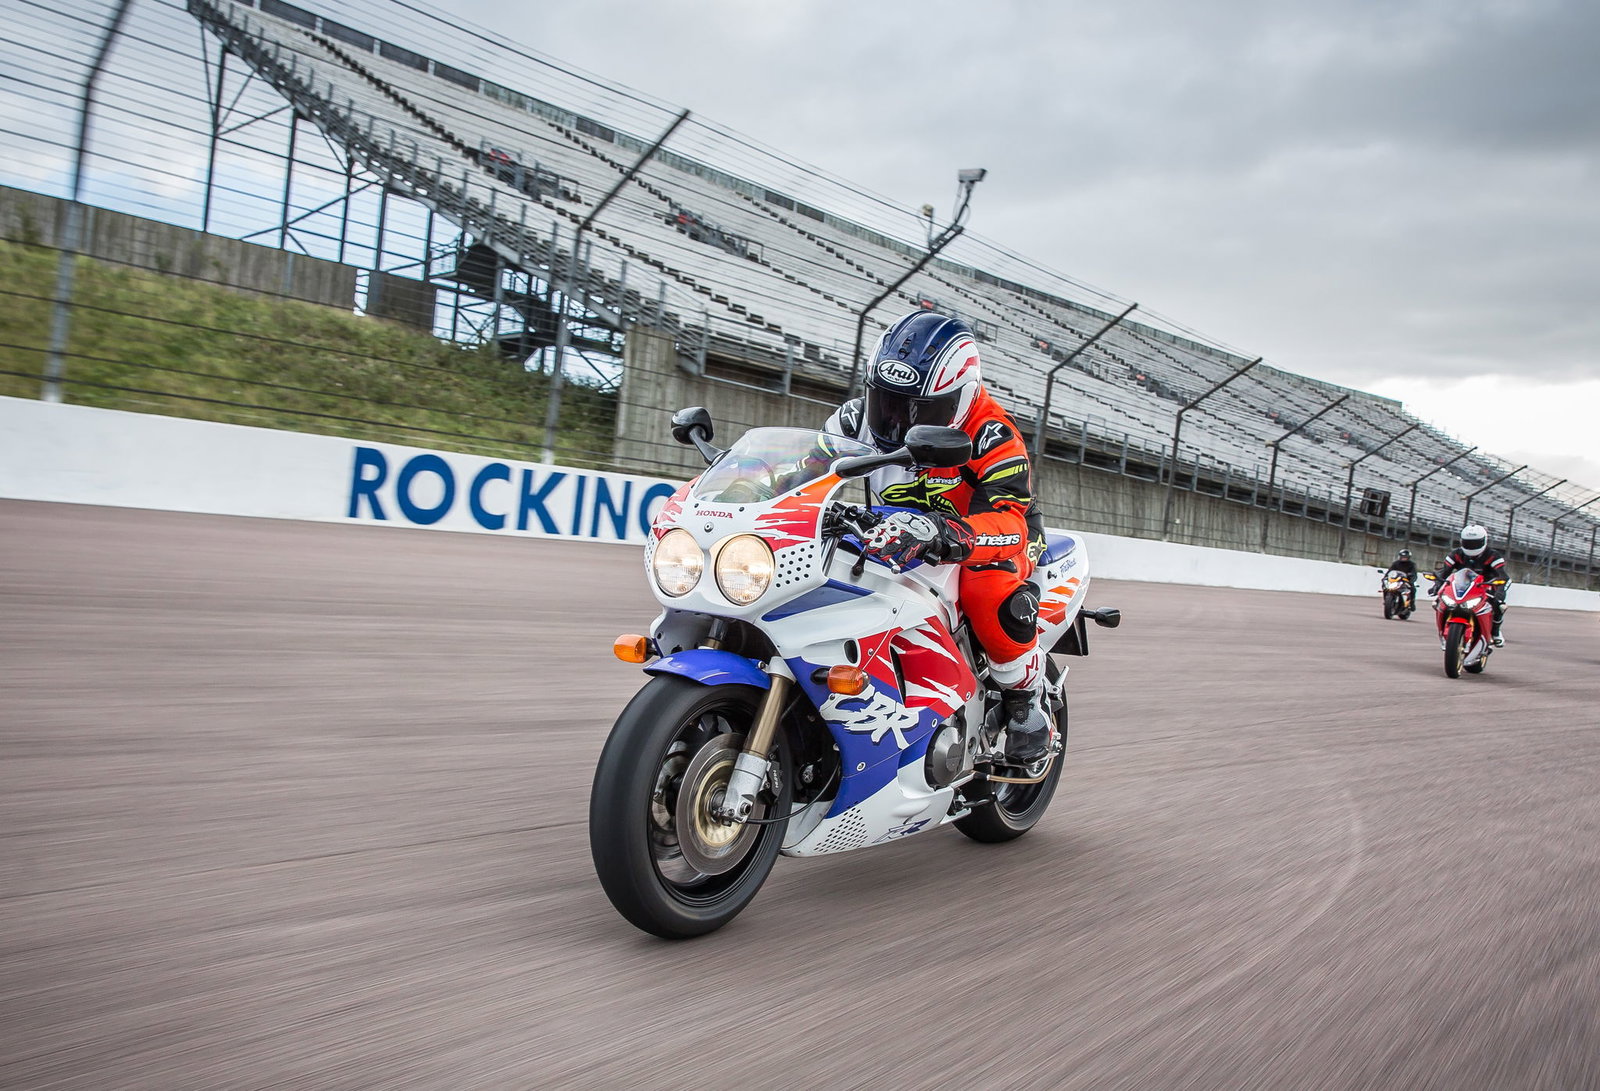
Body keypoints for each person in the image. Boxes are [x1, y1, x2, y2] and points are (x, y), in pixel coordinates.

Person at [825, 311, 1051, 764]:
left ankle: (1024, 700)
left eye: (919, 411)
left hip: (988, 534)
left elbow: (1010, 521)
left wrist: (947, 532)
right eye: (886, 402)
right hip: (898, 529)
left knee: (986, 585)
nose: (897, 423)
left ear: (961, 398)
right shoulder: (856, 419)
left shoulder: (992, 434)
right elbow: (805, 466)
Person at [1432, 524, 1511, 646]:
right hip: (1461, 586)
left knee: (1498, 605)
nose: (1471, 547)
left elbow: (1502, 575)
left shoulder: (1493, 556)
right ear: (1462, 542)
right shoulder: (1456, 554)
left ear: (1484, 541)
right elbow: (1444, 572)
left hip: (1486, 586)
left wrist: (1499, 592)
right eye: (1468, 543)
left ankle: (1495, 632)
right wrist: (1436, 585)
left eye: (1475, 543)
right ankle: (1443, 630)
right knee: (1439, 601)